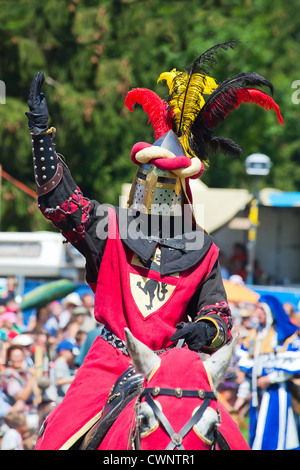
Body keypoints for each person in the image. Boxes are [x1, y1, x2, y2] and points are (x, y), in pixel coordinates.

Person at [26, 42, 283, 449]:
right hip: (112, 362)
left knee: (235, 443)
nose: (154, 188)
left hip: (176, 368)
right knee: (54, 441)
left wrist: (205, 329)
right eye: (148, 176)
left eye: (164, 181)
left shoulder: (204, 251)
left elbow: (218, 312)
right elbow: (63, 206)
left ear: (181, 188)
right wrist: (42, 139)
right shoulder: (111, 228)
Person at [234, 295, 300, 450]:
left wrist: (270, 378)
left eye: (260, 309)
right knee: (257, 433)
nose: (257, 312)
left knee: (277, 436)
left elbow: (291, 365)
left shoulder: (283, 337)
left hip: (278, 393)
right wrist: (240, 398)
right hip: (258, 395)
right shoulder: (254, 336)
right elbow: (249, 372)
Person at [53, 340, 80, 404]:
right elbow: (59, 381)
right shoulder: (60, 362)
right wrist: (75, 377)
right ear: (63, 351)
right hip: (59, 400)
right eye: (70, 351)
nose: (72, 354)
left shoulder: (64, 363)